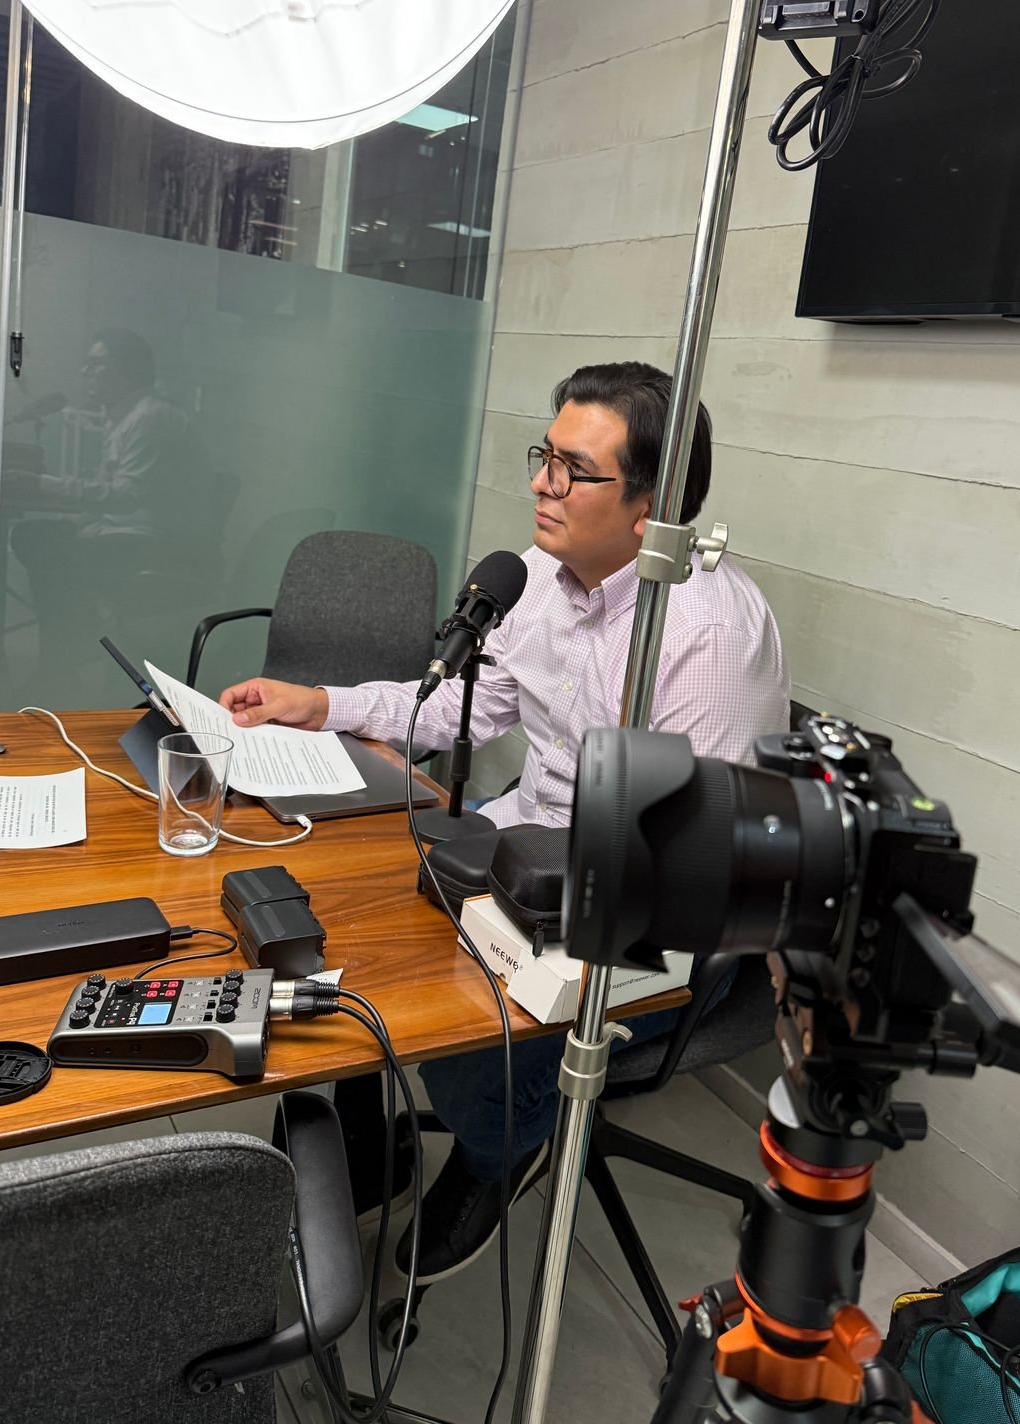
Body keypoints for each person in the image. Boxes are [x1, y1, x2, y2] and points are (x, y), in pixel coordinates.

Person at [220, 361, 790, 1280]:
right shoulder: (540, 579)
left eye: (573, 469)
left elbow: (695, 864)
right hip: (529, 843)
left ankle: (496, 1153)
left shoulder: (704, 634)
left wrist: (511, 932)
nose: (540, 485)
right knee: (344, 923)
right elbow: (464, 708)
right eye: (544, 456)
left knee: (465, 1046)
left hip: (656, 913)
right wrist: (320, 703)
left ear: (650, 507)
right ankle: (367, 1144)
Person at [6, 330, 213, 683]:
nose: (85, 372)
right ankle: (70, 640)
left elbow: (125, 496)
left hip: (158, 544)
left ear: (128, 370)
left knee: (49, 553)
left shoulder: (149, 418)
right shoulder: (124, 416)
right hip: (126, 531)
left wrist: (41, 484)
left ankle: (61, 657)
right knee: (34, 535)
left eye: (97, 364)